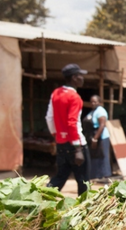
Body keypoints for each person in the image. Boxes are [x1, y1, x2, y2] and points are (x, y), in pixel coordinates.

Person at [46, 64, 90, 195]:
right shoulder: (75, 97)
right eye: (80, 76)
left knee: (59, 177)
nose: (82, 78)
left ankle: (39, 201)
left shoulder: (56, 93)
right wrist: (78, 149)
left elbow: (49, 117)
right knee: (83, 180)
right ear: (74, 78)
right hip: (76, 145)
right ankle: (84, 209)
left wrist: (57, 135)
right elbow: (73, 122)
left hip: (61, 143)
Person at [88, 95, 112, 182]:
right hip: (94, 135)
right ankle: (96, 175)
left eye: (95, 101)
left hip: (101, 136)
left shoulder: (101, 111)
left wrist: (95, 138)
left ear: (100, 102)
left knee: (102, 155)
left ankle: (105, 176)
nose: (93, 103)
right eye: (91, 102)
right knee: (95, 156)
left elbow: (102, 125)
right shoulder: (93, 111)